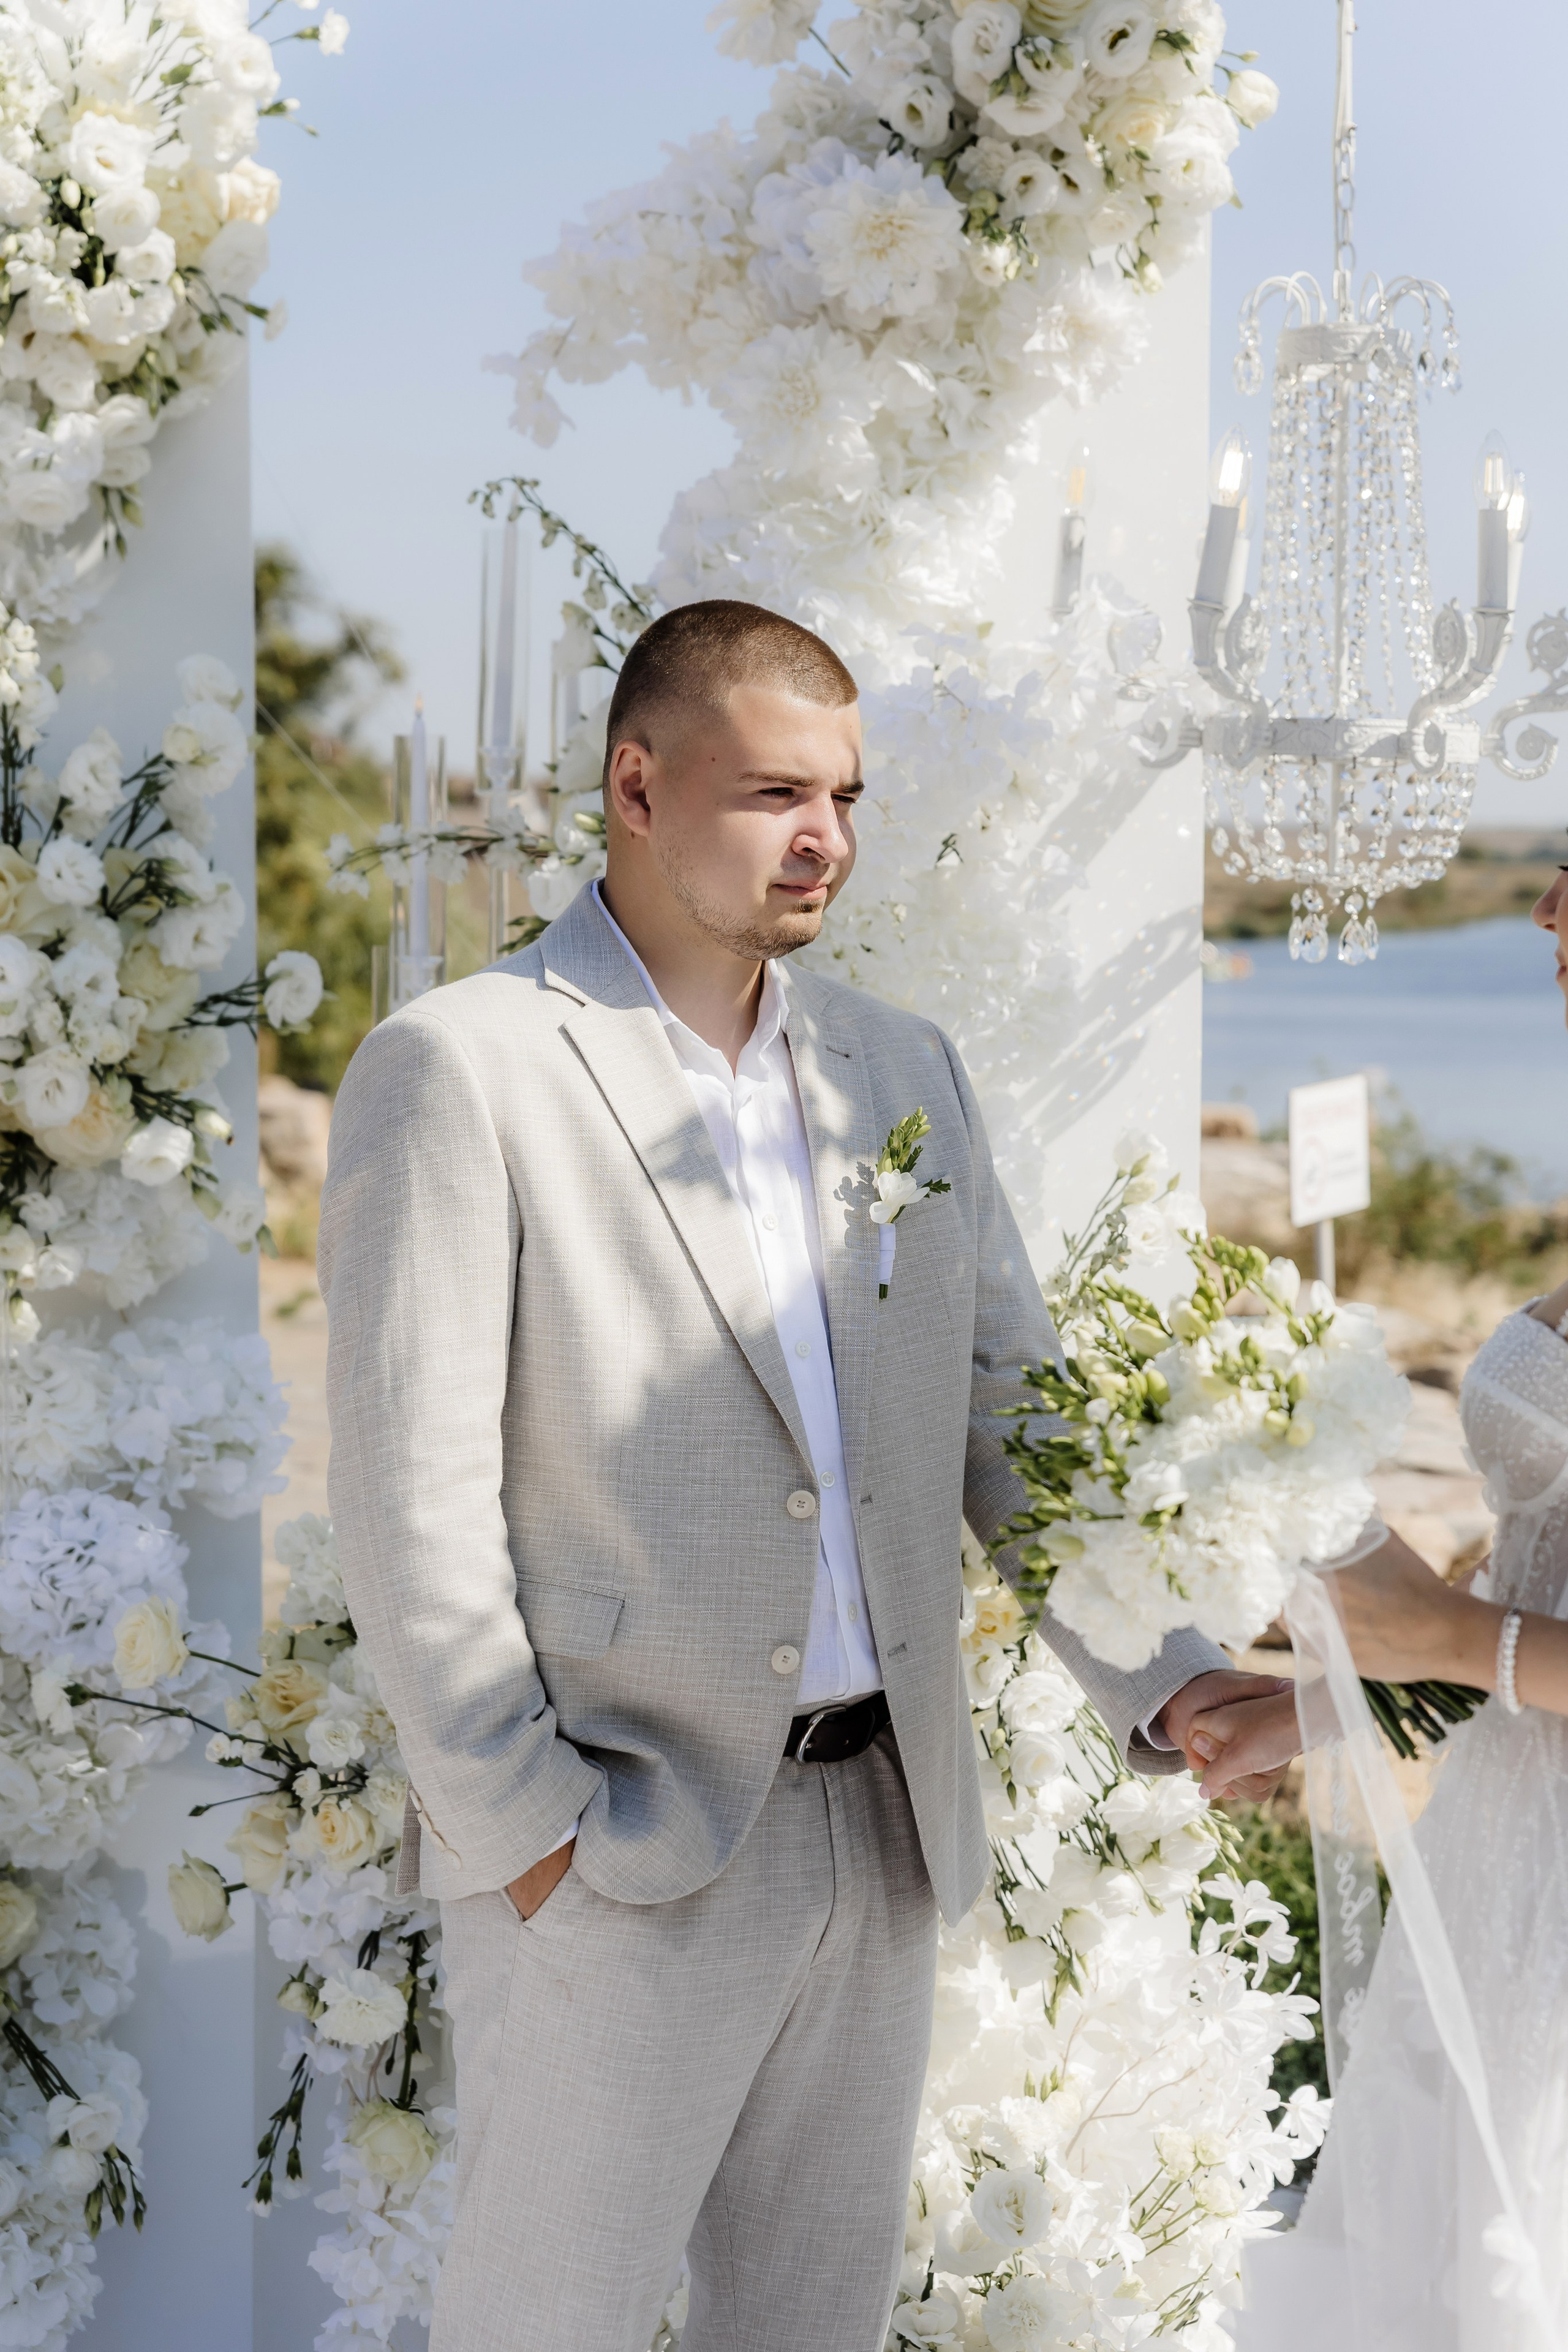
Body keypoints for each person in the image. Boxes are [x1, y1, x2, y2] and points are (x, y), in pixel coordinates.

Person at [317, 600, 1291, 2352]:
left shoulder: (896, 1070)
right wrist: (535, 1841)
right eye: (776, 790)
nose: (824, 834)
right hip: (618, 1837)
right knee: (549, 2325)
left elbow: (1016, 1420)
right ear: (637, 780)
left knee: (812, 2329)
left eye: (844, 795)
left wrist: (1182, 1678)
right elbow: (411, 1509)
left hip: (879, 1821)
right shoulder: (462, 1068)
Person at [1190, 862, 1568, 2350]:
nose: (1544, 914)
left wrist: (1443, 1635)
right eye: (1549, 879)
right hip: (1505, 1848)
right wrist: (1328, 1696)